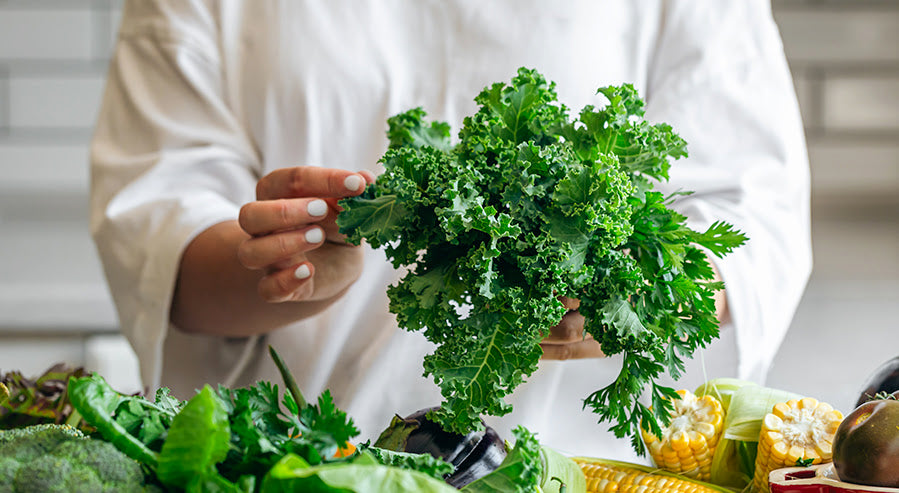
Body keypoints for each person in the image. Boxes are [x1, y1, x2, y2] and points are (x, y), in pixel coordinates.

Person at [89, 0, 811, 461]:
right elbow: (157, 239)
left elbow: (753, 214)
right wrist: (291, 267)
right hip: (301, 463)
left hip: (587, 467)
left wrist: (634, 294)